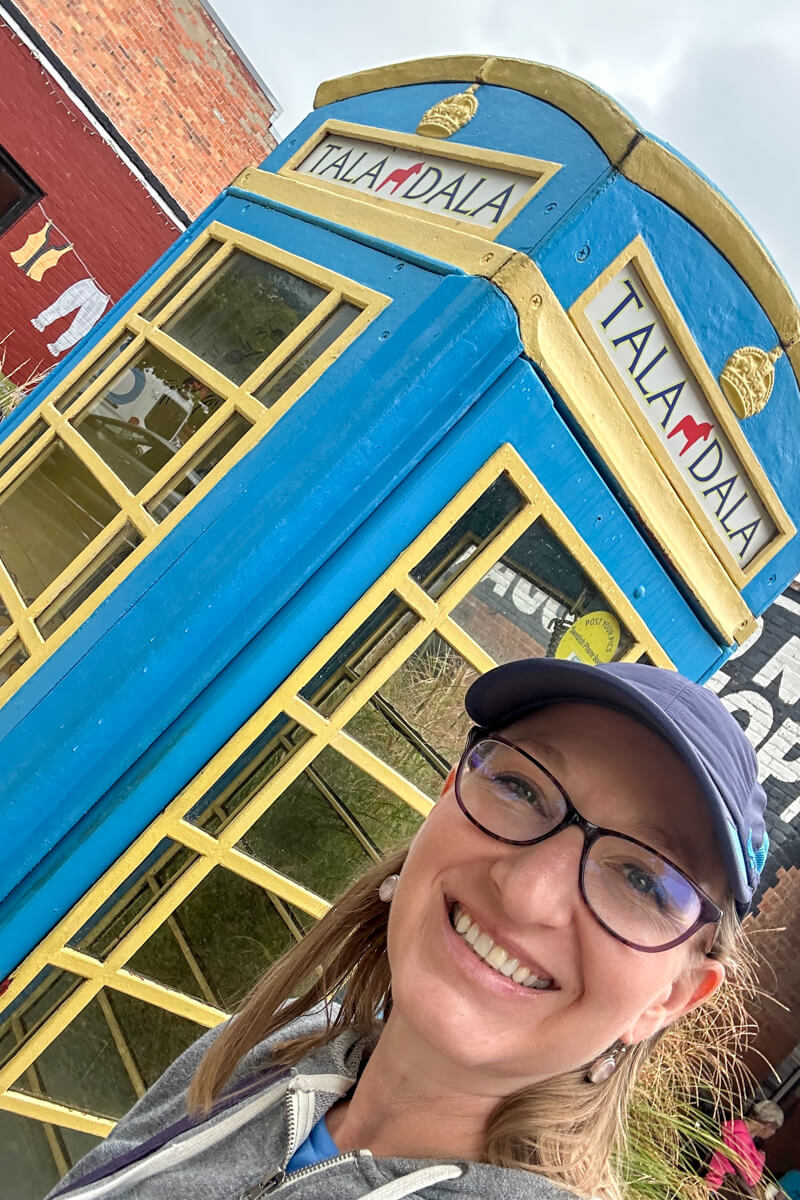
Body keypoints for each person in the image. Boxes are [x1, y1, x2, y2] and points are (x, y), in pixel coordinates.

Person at [47, 658, 768, 1200]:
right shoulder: (283, 1050)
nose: (527, 891)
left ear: (669, 999)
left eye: (643, 880)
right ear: (447, 793)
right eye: (521, 787)